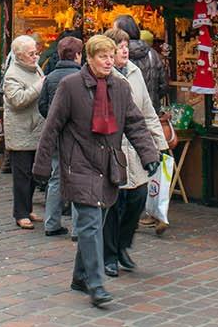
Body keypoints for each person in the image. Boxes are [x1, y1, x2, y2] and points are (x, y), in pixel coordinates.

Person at [32, 33, 160, 309]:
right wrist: (41, 167)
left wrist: (149, 155)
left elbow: (135, 124)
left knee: (96, 222)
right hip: (78, 163)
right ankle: (96, 283)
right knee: (90, 223)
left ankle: (80, 276)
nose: (108, 61)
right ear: (88, 58)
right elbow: (51, 126)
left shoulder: (120, 87)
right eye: (102, 56)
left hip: (109, 164)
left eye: (110, 56)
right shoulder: (70, 86)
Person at [103, 27, 164, 274]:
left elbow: (147, 111)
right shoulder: (104, 77)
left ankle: (122, 245)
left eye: (126, 45)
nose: (125, 50)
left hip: (136, 149)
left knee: (137, 199)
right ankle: (108, 255)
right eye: (119, 46)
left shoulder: (136, 73)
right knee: (113, 204)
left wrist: (159, 143)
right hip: (113, 149)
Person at [38, 35, 83, 237]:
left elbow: (42, 106)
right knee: (77, 178)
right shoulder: (82, 77)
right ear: (78, 55)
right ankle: (77, 228)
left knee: (56, 177)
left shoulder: (50, 78)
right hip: (77, 135)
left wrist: (53, 120)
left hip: (56, 134)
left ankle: (51, 222)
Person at [2, 35, 45, 229]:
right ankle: (20, 212)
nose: (35, 56)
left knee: (34, 173)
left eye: (36, 52)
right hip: (21, 131)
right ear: (19, 56)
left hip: (35, 128)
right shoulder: (12, 75)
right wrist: (40, 86)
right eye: (31, 54)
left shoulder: (35, 68)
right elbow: (17, 100)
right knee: (22, 174)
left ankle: (27, 208)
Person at [114, 16, 168, 111]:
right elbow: (163, 85)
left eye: (114, 30)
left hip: (126, 112)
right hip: (151, 110)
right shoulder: (152, 53)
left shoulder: (118, 54)